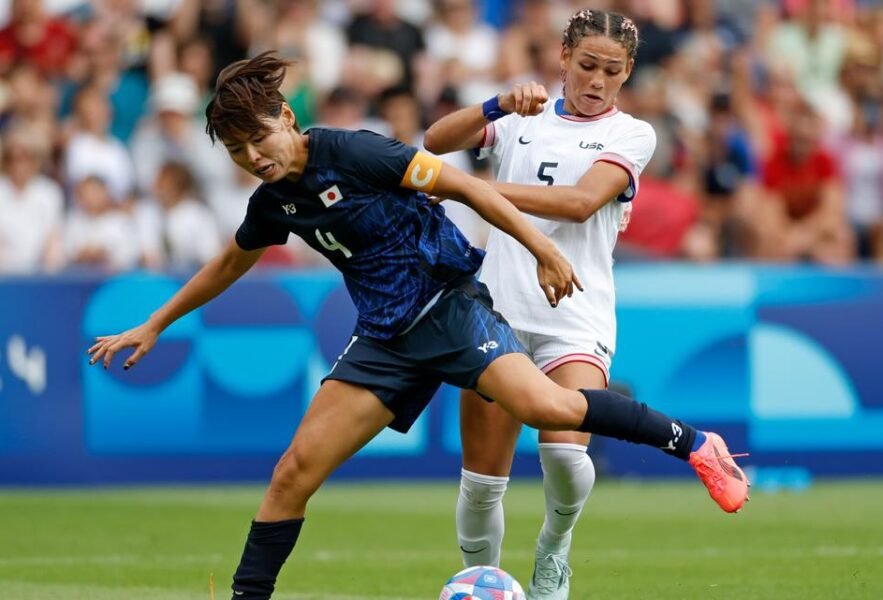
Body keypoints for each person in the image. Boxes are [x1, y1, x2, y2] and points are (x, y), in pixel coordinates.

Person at [86, 51, 748, 600]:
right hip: (383, 339)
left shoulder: (354, 152)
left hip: (451, 308)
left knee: (547, 407)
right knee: (293, 473)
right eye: (236, 149)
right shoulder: (274, 199)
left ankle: (693, 443)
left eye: (258, 137)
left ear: (287, 118)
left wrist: (543, 248)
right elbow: (231, 260)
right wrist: (154, 324)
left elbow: (467, 188)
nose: (252, 155)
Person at [423, 9, 745, 599]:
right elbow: (435, 142)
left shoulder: (632, 134)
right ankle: (482, 584)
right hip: (496, 310)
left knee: (566, 458)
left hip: (576, 310)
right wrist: (495, 106)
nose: (597, 81)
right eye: (588, 65)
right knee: (480, 483)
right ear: (564, 56)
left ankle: (554, 548)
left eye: (612, 71)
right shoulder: (525, 119)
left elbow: (575, 203)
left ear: (628, 74)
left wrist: (471, 188)